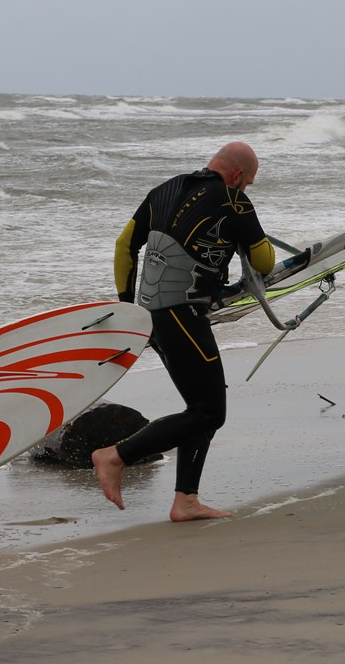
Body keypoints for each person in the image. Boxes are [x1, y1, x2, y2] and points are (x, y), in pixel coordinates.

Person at [93, 142, 275, 522]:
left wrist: (129, 307)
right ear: (238, 176)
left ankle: (186, 501)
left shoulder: (163, 190)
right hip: (183, 315)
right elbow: (264, 261)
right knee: (210, 412)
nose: (246, 190)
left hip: (153, 315)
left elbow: (125, 246)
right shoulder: (234, 200)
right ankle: (114, 456)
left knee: (201, 407)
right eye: (249, 183)